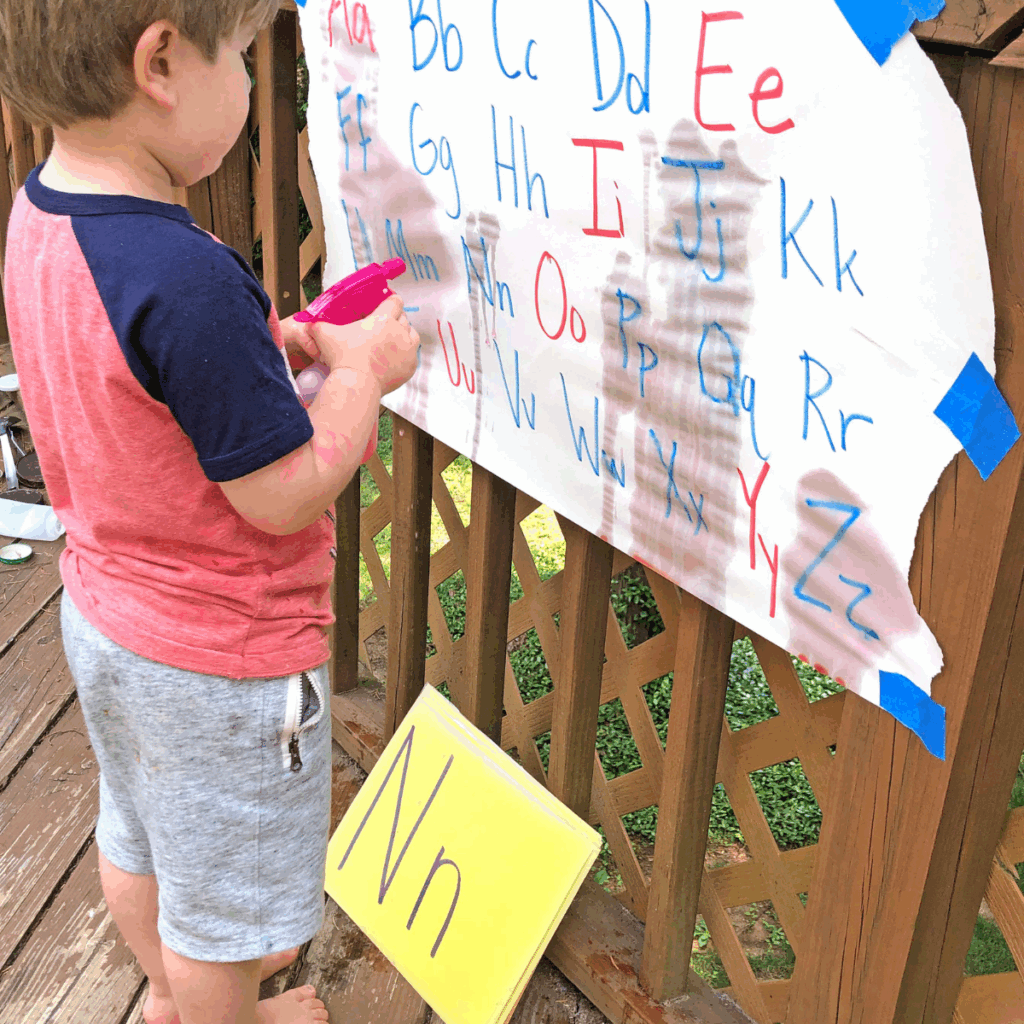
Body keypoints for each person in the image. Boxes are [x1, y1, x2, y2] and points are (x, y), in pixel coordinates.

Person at [0, 2, 420, 1022]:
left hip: (106, 622)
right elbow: (279, 495)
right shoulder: (185, 278)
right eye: (238, 55)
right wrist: (361, 376)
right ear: (160, 61)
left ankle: (170, 996)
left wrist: (256, 360)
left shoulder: (42, 207)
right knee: (224, 921)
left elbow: (135, 392)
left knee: (139, 833)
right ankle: (215, 1004)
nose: (250, 77)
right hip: (221, 663)